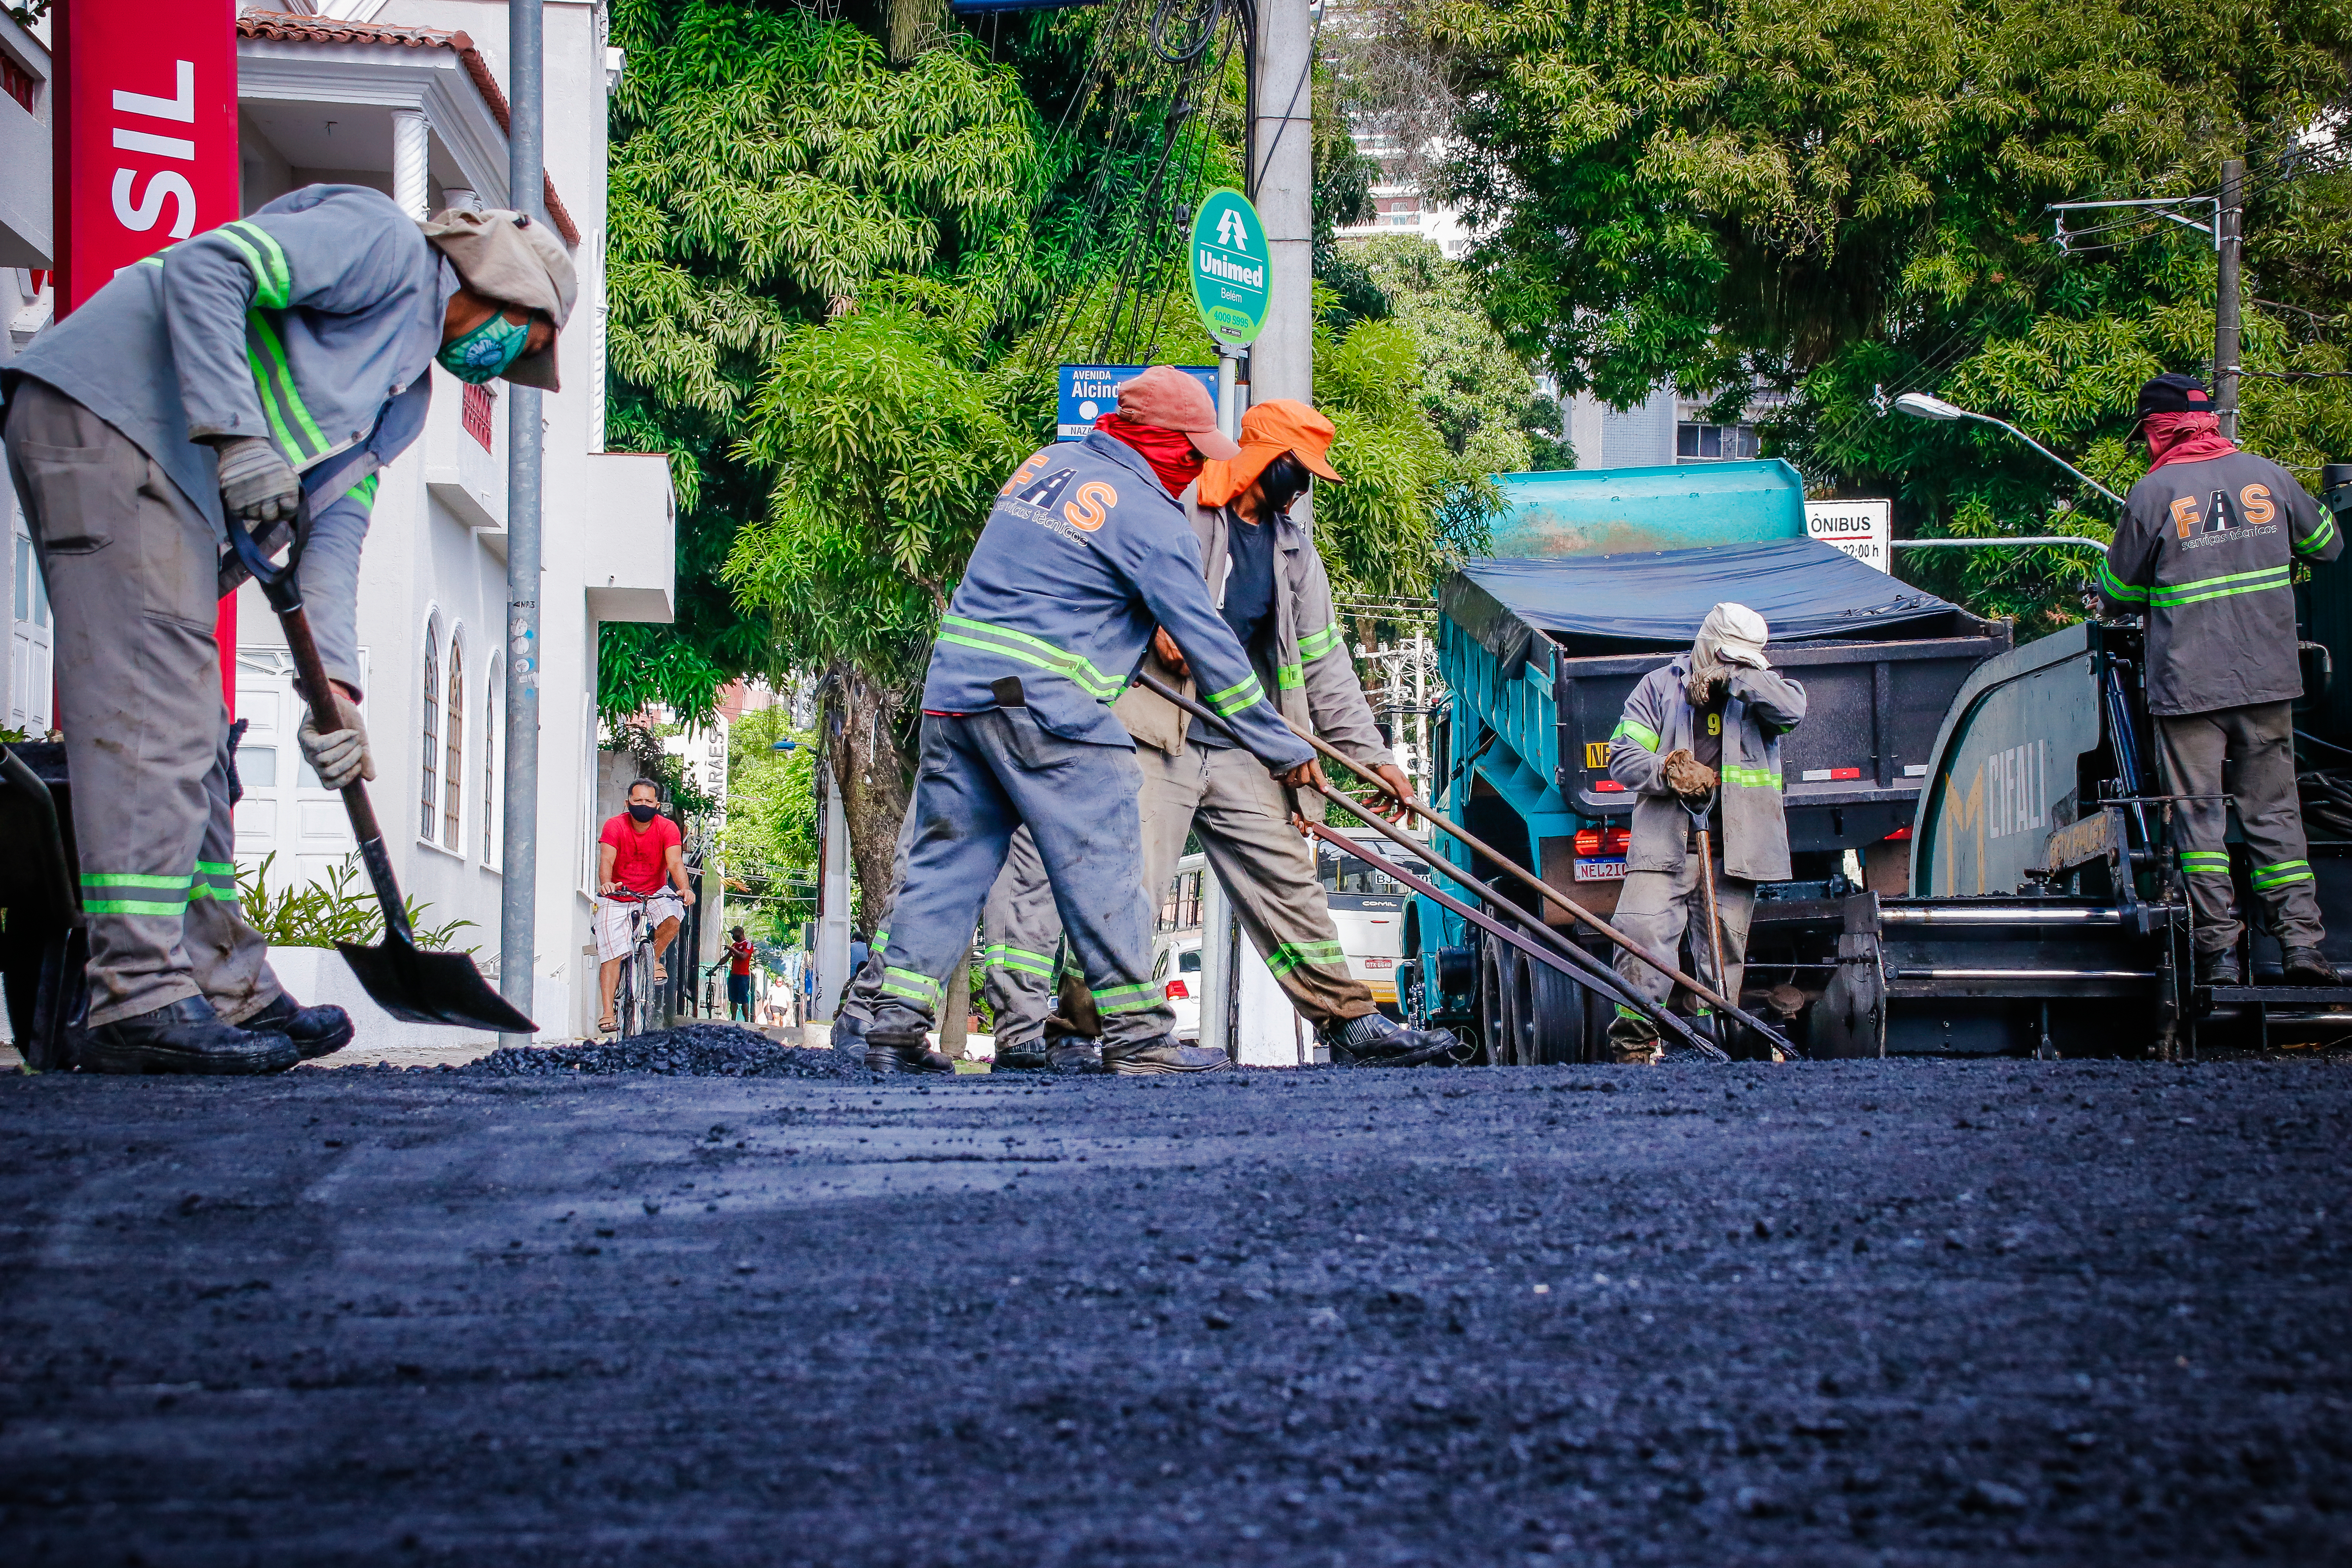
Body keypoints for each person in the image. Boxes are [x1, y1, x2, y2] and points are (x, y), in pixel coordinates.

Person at [0, 186, 573, 1074]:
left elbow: (334, 534)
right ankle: (138, 994)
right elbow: (208, 269)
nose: (503, 364)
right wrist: (239, 438)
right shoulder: (384, 246)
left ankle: (227, 985)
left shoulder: (403, 399)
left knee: (201, 744)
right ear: (502, 284)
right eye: (523, 341)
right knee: (160, 724)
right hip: (111, 423)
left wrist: (334, 692)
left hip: (173, 482)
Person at [860, 365, 1319, 1075]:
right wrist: (1280, 747)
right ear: (1157, 440)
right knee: (1107, 858)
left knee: (947, 864)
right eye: (1190, 450)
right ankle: (1139, 1038)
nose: (1196, 466)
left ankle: (893, 1031)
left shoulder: (1043, 467)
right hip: (1046, 707)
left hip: (956, 696)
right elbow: (1211, 648)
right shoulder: (1152, 515)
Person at [984, 396, 1459, 1067]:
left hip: (1240, 743)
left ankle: (1351, 1023)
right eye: (1300, 469)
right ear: (1267, 459)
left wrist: (1372, 757)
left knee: (1288, 880)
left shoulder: (1293, 552)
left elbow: (1326, 666)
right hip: (1155, 732)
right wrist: (1154, 624)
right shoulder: (1175, 506)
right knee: (1127, 890)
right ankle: (1082, 1031)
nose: (1305, 486)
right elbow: (1103, 580)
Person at [2098, 372, 2344, 985]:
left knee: (2198, 820)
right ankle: (2301, 947)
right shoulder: (2270, 476)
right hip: (2266, 682)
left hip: (2189, 689)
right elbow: (2327, 545)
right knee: (2276, 815)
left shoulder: (2153, 494)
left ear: (2158, 430)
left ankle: (2218, 957)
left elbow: (2117, 592)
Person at [1604, 603, 1807, 1063]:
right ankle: (1635, 1047)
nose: (1733, 666)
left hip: (1734, 851)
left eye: (1743, 660)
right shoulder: (1658, 688)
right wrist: (1669, 770)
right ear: (1707, 645)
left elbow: (1792, 710)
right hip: (1665, 847)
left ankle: (1712, 1046)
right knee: (1640, 935)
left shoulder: (1759, 692)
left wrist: (1734, 677)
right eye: (1726, 657)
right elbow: (1623, 757)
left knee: (1722, 955)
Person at [595, 779, 696, 1031]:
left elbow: (675, 862)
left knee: (674, 916)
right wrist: (607, 884)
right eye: (638, 800)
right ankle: (608, 1012)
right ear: (627, 802)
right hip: (618, 894)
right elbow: (606, 860)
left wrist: (685, 888)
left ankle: (654, 959)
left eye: (649, 801)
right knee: (611, 954)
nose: (643, 805)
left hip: (654, 892)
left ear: (657, 805)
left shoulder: (668, 828)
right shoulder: (614, 825)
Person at [723, 925, 756, 1022]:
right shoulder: (735, 945)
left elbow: (744, 956)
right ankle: (733, 1019)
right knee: (733, 999)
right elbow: (726, 958)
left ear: (740, 934)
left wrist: (732, 949)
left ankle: (746, 1020)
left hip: (743, 976)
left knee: (744, 999)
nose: (733, 936)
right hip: (734, 975)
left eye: (734, 934)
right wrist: (715, 968)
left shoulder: (748, 944)